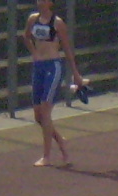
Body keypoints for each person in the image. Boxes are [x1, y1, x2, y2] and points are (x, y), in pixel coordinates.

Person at [22, 0, 85, 169]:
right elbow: (26, 36)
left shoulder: (57, 23)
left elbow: (67, 49)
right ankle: (60, 141)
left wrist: (76, 75)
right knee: (38, 116)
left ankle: (47, 156)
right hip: (38, 67)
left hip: (53, 66)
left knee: (45, 110)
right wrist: (34, 53)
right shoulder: (32, 19)